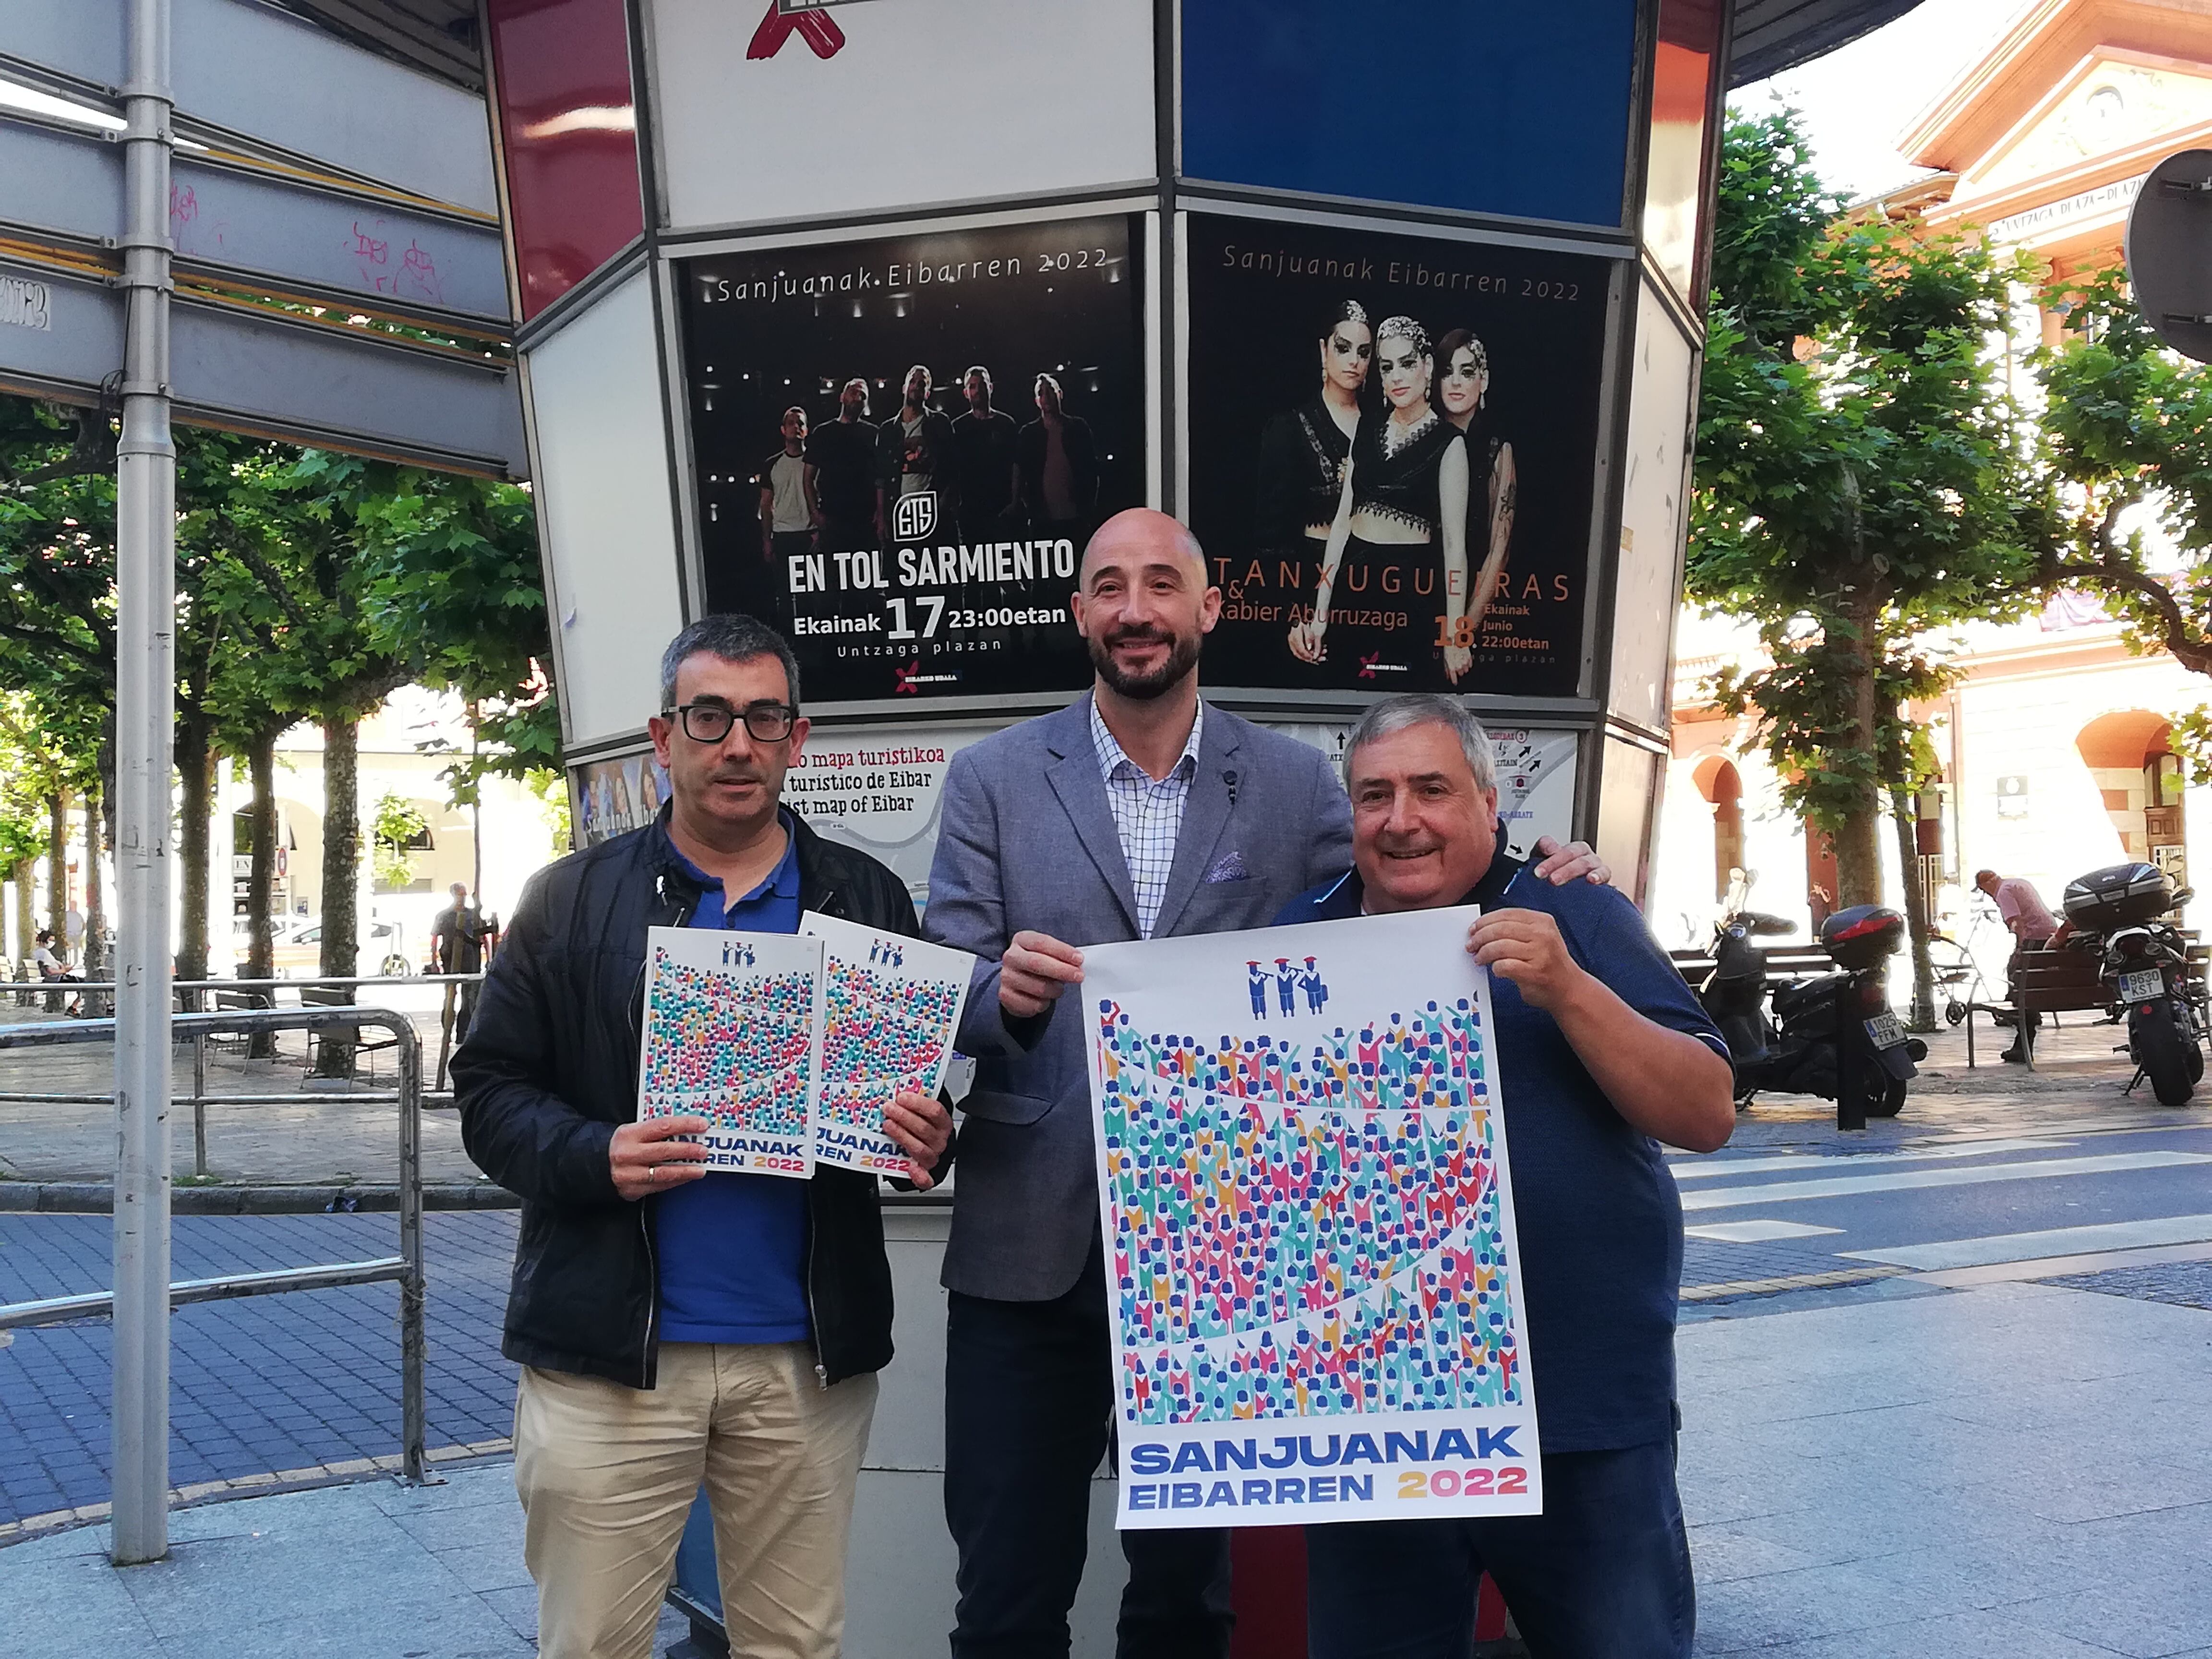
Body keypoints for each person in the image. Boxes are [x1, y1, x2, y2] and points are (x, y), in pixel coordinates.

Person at [923, 508, 1611, 1659]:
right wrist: (1004, 995)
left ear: (1209, 608)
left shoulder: (1295, 784)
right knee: (1003, 1589)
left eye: (1159, 585)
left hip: (1223, 1251)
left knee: (1188, 1596)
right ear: (1080, 612)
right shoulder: (993, 775)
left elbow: (1413, 886)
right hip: (1025, 1247)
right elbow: (948, 982)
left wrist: (1543, 870)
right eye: (1107, 587)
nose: (1134, 610)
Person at [454, 613, 954, 1659]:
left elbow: (917, 1102)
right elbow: (490, 1092)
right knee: (592, 1642)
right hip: (610, 1358)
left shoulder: (865, 899)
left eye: (763, 717)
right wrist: (596, 1155)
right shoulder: (569, 899)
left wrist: (928, 1135)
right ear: (663, 736)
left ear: (796, 739)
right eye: (711, 716)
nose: (738, 743)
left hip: (803, 1360)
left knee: (795, 1644)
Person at [1275, 693, 1735, 1659]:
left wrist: (1570, 988)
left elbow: (1704, 1114)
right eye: (1375, 795)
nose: (1402, 820)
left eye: (1432, 790)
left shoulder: (1578, 913)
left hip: (1581, 1416)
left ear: (1490, 803)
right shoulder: (1297, 941)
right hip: (1378, 1426)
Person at [1287, 316, 1474, 685]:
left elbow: (1455, 546)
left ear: (1428, 366)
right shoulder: (1367, 428)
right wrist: (1320, 613)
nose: (1397, 377)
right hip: (1352, 596)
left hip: (1409, 597)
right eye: (1387, 367)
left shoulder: (1449, 444)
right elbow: (1342, 523)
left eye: (1407, 363)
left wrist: (1455, 635)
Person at [1252, 301, 1371, 556]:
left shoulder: (1380, 427)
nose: (1354, 361)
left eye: (1363, 352)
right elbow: (1270, 534)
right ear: (1323, 350)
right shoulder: (1290, 429)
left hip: (1370, 574)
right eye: (1343, 348)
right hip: (1309, 569)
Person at [1435, 328, 1517, 642]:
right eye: (1447, 372)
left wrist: (1463, 632)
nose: (1455, 382)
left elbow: (1500, 549)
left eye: (1467, 372)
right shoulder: (1424, 441)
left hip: (1470, 611)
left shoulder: (1497, 449)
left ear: (1483, 380)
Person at [1974, 868, 2064, 1062]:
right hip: (2048, 934)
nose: (1988, 896)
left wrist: (2020, 948)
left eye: (1984, 890)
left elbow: (2017, 923)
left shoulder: (2003, 893)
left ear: (1988, 884)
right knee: (2027, 982)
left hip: (2034, 937)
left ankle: (2023, 1039)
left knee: (2020, 980)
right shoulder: (2018, 882)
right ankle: (2024, 1025)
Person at [1015, 373, 1099, 541]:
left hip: (1076, 518)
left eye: (1050, 391)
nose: (1046, 396)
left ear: (1060, 394)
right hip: (1043, 521)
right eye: (1041, 393)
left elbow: (1092, 470)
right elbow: (1020, 471)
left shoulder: (1078, 428)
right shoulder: (1029, 434)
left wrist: (1088, 510)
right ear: (1037, 401)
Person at [878, 364, 958, 536]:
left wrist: (943, 503)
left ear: (927, 393)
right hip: (900, 512)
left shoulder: (940, 423)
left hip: (931, 513)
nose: (916, 386)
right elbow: (881, 478)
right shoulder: (888, 430)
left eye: (922, 384)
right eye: (913, 382)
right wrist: (882, 518)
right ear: (904, 388)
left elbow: (953, 468)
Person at [951, 364, 1021, 543]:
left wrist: (1014, 502)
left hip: (1002, 510)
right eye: (972, 387)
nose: (978, 391)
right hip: (970, 513)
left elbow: (1016, 465)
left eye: (981, 385)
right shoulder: (958, 428)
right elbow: (952, 471)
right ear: (966, 393)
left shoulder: (1007, 424)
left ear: (991, 388)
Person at [810, 377, 881, 550]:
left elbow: (881, 476)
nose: (857, 397)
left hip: (865, 518)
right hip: (833, 518)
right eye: (853, 392)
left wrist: (880, 510)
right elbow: (808, 477)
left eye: (863, 395)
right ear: (842, 397)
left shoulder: (874, 433)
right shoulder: (823, 433)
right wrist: (815, 513)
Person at [429, 882, 495, 1046]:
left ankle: (463, 1034)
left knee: (470, 998)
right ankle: (447, 1031)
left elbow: (483, 938)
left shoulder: (473, 915)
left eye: (464, 895)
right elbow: (435, 938)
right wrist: (434, 962)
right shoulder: (444, 915)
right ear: (453, 895)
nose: (462, 898)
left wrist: (490, 959)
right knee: (450, 996)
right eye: (460, 894)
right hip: (450, 960)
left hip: (471, 961)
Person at [758, 405, 821, 568]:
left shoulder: (817, 463)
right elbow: (766, 505)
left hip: (811, 534)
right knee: (785, 590)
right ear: (783, 430)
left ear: (806, 430)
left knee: (813, 591)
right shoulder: (772, 465)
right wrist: (767, 541)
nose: (796, 427)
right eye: (791, 423)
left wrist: (821, 532)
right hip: (783, 535)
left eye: (800, 424)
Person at [33, 928, 82, 1016]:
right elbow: (50, 971)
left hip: (54, 978)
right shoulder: (44, 953)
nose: (53, 943)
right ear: (45, 940)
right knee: (85, 983)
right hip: (56, 979)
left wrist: (64, 968)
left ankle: (73, 1008)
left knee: (81, 983)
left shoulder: (39, 952)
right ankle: (73, 1007)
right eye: (51, 940)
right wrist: (64, 970)